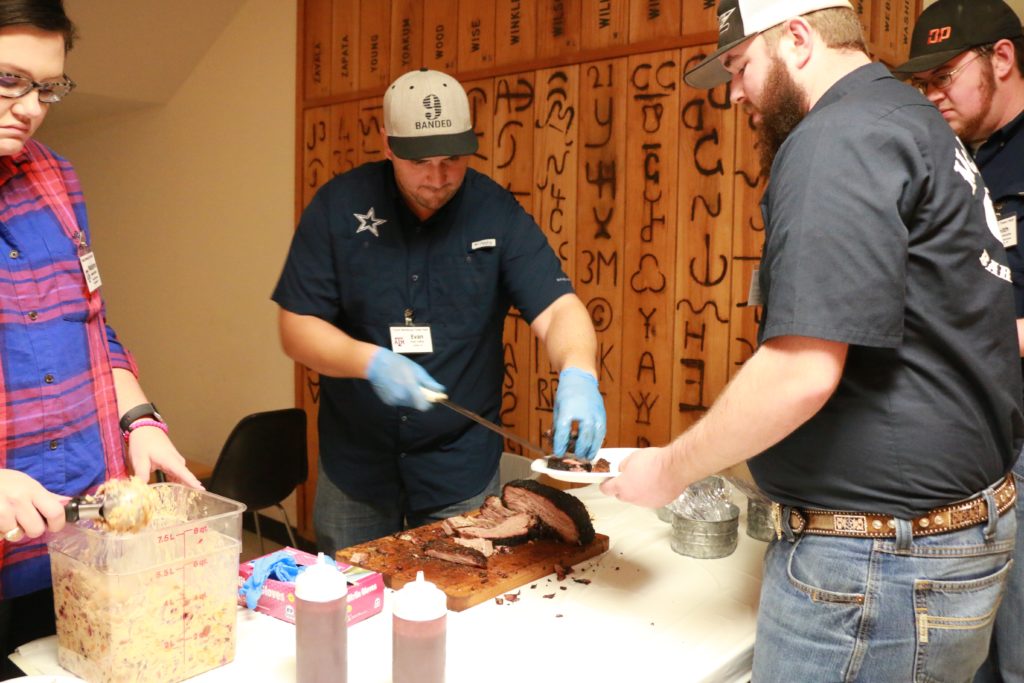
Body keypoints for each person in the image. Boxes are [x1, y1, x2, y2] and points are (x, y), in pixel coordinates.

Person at [602, 0, 1024, 679]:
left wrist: (670, 467)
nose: (735, 92)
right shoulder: (916, 123)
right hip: (952, 540)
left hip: (879, 569)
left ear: (797, 39)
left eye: (741, 66)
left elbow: (801, 371)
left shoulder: (838, 135)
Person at [273, 67, 605, 553]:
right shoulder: (337, 208)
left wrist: (579, 373)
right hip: (356, 466)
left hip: (460, 468)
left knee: (464, 603)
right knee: (350, 606)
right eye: (419, 161)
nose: (437, 178)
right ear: (387, 144)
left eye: (452, 158)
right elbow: (296, 327)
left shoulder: (495, 212)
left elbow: (558, 309)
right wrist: (370, 362)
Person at [0, 1, 202, 675]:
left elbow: (91, 325)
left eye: (48, 88)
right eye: (8, 80)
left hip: (80, 546)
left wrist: (138, 419)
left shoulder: (56, 177)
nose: (30, 107)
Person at [896, 2, 1024, 681]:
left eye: (945, 74)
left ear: (1001, 59)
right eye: (923, 84)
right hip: (964, 452)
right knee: (962, 659)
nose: (933, 95)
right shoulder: (953, 163)